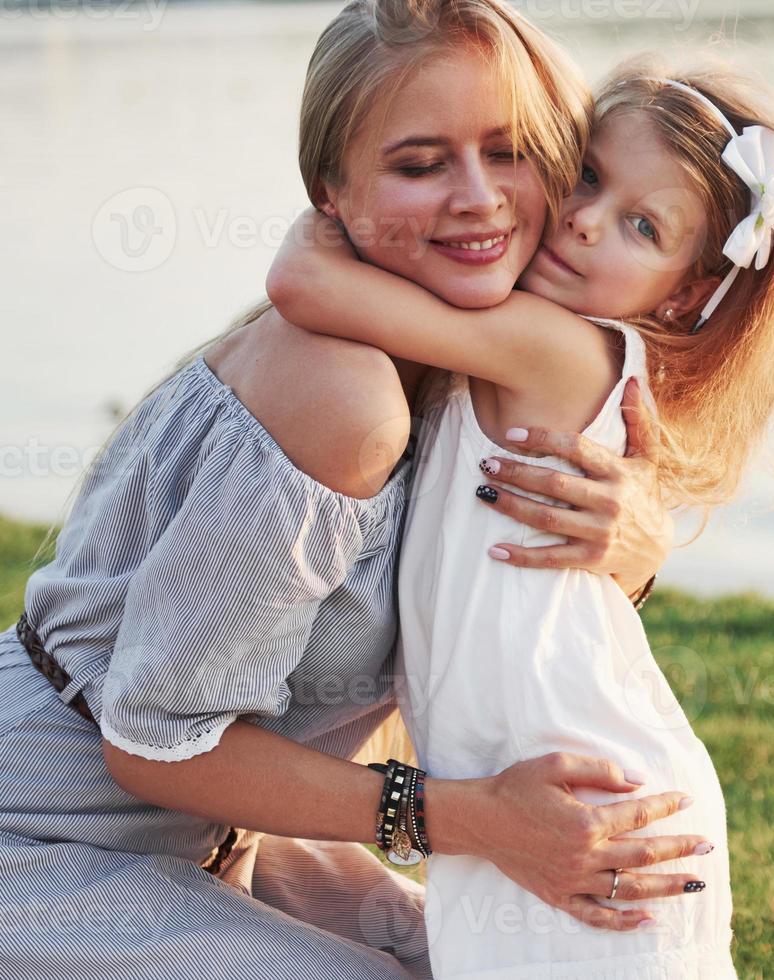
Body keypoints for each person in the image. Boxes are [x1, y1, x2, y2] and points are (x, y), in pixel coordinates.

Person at [0, 4, 717, 977]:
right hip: (39, 831)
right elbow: (150, 750)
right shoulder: (341, 394)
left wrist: (628, 547)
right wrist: (470, 819)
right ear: (329, 192)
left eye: (509, 151)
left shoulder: (472, 372)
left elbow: (467, 624)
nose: (479, 199)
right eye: (419, 165)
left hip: (215, 835)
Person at [266, 53, 774, 976]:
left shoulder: (557, 347)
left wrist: (330, 210)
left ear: (681, 292)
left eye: (642, 226)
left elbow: (306, 287)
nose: (587, 221)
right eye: (588, 175)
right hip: (517, 792)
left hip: (587, 798)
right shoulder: (503, 338)